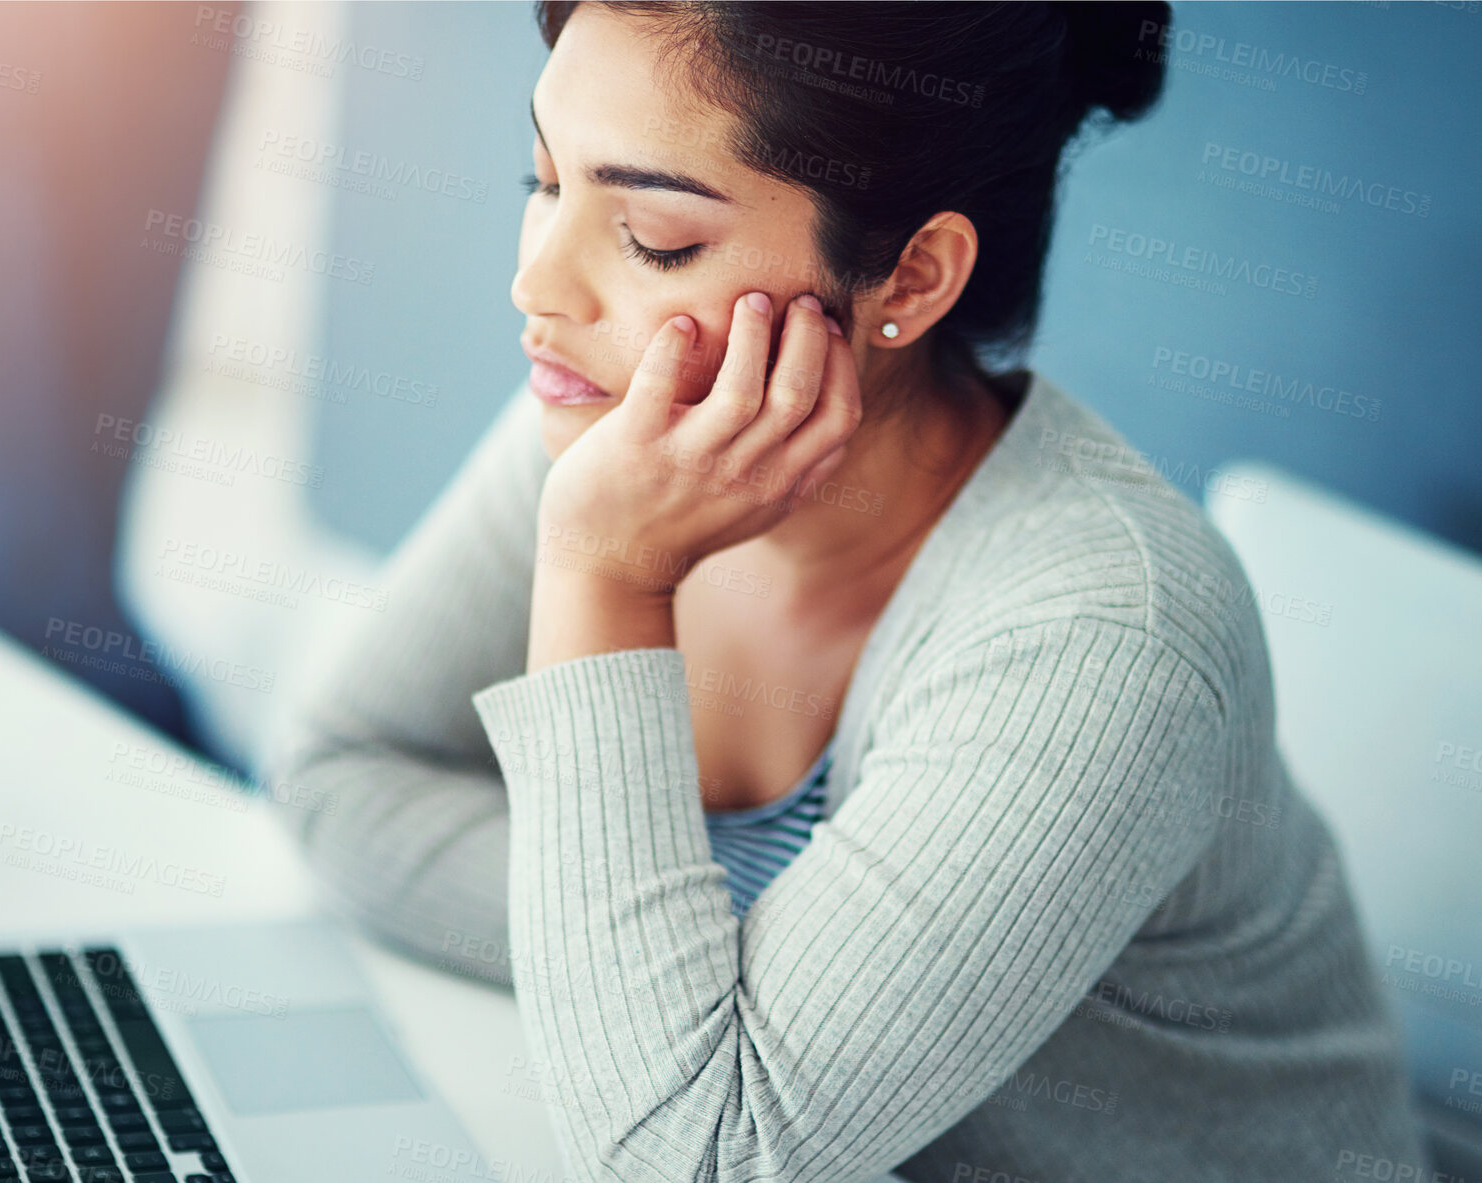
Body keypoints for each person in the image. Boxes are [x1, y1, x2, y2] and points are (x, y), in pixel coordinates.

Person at [267, 4, 1431, 1180]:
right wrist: (684, 999)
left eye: (655, 235)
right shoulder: (622, 427)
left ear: (912, 277)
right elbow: (340, 775)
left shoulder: (1107, 636)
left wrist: (607, 580)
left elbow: (702, 1153)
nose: (537, 284)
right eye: (543, 179)